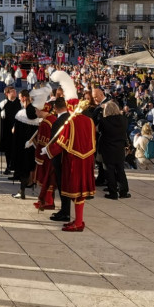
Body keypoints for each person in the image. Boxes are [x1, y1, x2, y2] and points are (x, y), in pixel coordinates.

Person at [45, 71, 96, 233]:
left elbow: (61, 143)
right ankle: (78, 220)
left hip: (74, 161)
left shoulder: (71, 122)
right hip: (87, 160)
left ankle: (79, 222)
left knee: (75, 192)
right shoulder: (89, 120)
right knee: (81, 193)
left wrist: (47, 152)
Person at [97, 101, 131, 197]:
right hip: (119, 148)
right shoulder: (124, 120)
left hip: (107, 149)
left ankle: (113, 192)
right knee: (120, 170)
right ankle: (123, 191)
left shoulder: (104, 121)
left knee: (109, 171)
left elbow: (99, 130)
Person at [11, 91, 39, 199]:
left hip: (21, 145)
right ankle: (25, 187)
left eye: (19, 97)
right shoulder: (35, 112)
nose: (19, 99)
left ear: (23, 98)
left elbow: (16, 131)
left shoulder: (21, 114)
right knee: (28, 167)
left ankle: (21, 190)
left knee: (22, 167)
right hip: (32, 145)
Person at [0, 86, 21, 176]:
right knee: (8, 149)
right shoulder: (3, 104)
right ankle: (8, 166)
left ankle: (17, 167)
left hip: (18, 129)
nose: (15, 93)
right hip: (7, 130)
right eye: (12, 91)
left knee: (17, 149)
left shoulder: (19, 103)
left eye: (15, 91)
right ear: (7, 94)